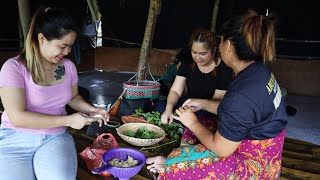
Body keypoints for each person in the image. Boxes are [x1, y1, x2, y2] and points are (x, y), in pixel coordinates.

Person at [146, 10, 288, 180]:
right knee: (200, 124)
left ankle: (171, 164)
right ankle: (177, 158)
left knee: (178, 166)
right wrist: (204, 104)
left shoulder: (241, 93)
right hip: (266, 149)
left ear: (227, 45)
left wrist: (192, 122)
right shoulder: (258, 71)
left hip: (255, 166)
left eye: (220, 41)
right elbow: (242, 111)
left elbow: (222, 149)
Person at [0, 7, 109, 180]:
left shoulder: (68, 67)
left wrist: (91, 109)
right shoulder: (14, 68)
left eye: (70, 47)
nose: (67, 53)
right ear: (42, 39)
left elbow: (73, 98)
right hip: (16, 138)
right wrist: (69, 120)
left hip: (55, 137)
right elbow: (17, 117)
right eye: (62, 46)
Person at [160, 29, 233, 146]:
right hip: (189, 104)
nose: (197, 57)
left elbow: (217, 102)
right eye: (194, 52)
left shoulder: (224, 70)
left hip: (208, 110)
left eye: (203, 53)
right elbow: (175, 90)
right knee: (162, 106)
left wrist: (196, 106)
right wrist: (168, 109)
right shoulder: (187, 62)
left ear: (214, 50)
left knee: (200, 118)